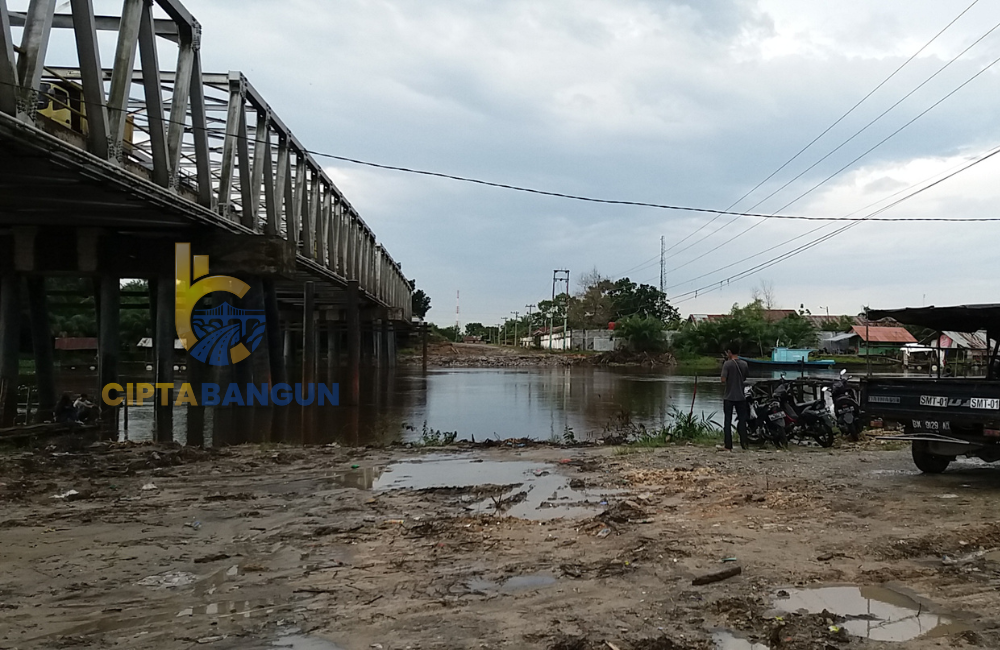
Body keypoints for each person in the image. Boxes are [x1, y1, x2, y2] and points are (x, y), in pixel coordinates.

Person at [720, 341, 749, 450]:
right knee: (742, 421)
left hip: (729, 397)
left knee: (727, 421)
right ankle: (744, 444)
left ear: (729, 352)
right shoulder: (744, 364)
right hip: (741, 397)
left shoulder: (727, 364)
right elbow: (745, 378)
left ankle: (728, 445)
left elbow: (723, 380)